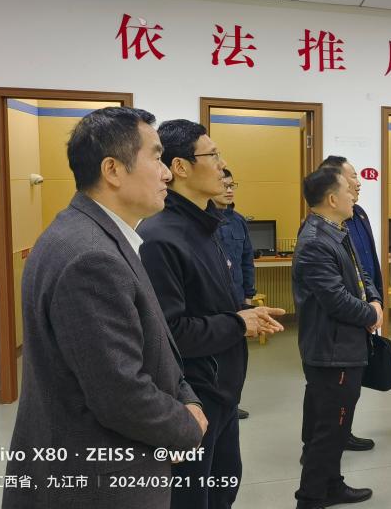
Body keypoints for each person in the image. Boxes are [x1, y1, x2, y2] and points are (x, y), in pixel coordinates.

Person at [3, 107, 207, 509]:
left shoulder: (94, 234)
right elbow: (120, 394)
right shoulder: (90, 258)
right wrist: (186, 427)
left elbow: (152, 344)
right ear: (113, 169)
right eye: (156, 157)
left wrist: (188, 398)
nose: (167, 174)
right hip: (99, 482)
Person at [138, 119, 285, 509]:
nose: (222, 166)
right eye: (213, 155)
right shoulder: (160, 238)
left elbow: (209, 304)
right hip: (193, 399)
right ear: (180, 167)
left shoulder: (207, 226)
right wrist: (238, 323)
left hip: (223, 392)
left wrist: (245, 313)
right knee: (192, 498)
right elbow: (169, 333)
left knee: (223, 487)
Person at [293, 167, 384, 509]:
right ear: (332, 199)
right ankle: (310, 498)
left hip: (343, 346)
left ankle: (332, 485)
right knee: (330, 431)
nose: (354, 194)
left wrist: (374, 299)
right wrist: (372, 315)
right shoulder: (316, 242)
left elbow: (361, 274)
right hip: (332, 352)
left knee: (335, 427)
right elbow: (336, 300)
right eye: (348, 189)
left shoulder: (336, 230)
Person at [318, 155, 381, 452]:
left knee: (350, 387)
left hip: (363, 310)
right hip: (344, 320)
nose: (358, 182)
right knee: (332, 390)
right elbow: (335, 292)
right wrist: (368, 310)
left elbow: (365, 264)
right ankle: (326, 445)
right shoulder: (321, 231)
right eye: (352, 177)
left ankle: (345, 431)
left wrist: (376, 299)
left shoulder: (359, 214)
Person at [213, 168, 255, 420]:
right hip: (214, 302)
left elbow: (247, 260)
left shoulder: (239, 221)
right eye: (224, 185)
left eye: (232, 186)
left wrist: (248, 297)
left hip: (238, 299)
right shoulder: (204, 221)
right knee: (215, 355)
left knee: (238, 357)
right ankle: (215, 401)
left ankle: (232, 401)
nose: (229, 190)